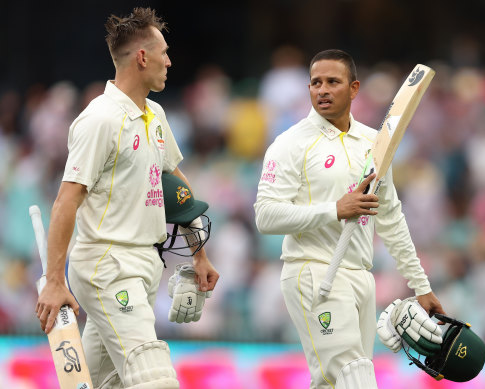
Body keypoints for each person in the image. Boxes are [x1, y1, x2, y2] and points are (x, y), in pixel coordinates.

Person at [35, 7, 219, 388]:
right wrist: (54, 280)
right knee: (155, 378)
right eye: (163, 52)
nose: (169, 61)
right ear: (142, 57)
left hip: (144, 262)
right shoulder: (99, 119)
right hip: (108, 262)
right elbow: (66, 200)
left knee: (104, 382)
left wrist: (199, 253)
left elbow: (175, 185)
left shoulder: (154, 113)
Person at [254, 49, 445, 389]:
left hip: (359, 275)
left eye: (332, 82)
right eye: (315, 83)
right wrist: (334, 210)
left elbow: (390, 217)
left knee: (333, 383)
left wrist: (421, 286)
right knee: (353, 377)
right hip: (314, 272)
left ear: (354, 89)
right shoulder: (290, 144)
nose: (322, 90)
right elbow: (266, 216)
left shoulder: (373, 142)